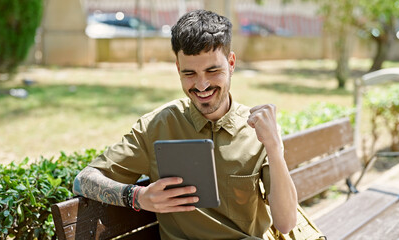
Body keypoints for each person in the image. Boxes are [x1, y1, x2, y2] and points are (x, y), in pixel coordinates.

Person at [73, 9, 298, 239]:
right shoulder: (157, 126)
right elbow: (83, 181)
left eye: (212, 70)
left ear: (231, 63)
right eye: (189, 73)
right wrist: (137, 196)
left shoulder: (258, 130)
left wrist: (274, 146)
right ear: (178, 69)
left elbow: (286, 222)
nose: (201, 85)